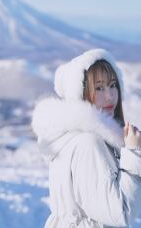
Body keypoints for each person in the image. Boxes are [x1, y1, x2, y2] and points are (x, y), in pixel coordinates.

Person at [32, 48, 141, 227]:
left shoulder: (71, 137)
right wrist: (134, 154)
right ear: (81, 93)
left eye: (113, 85)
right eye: (99, 88)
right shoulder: (88, 143)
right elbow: (120, 213)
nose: (110, 95)